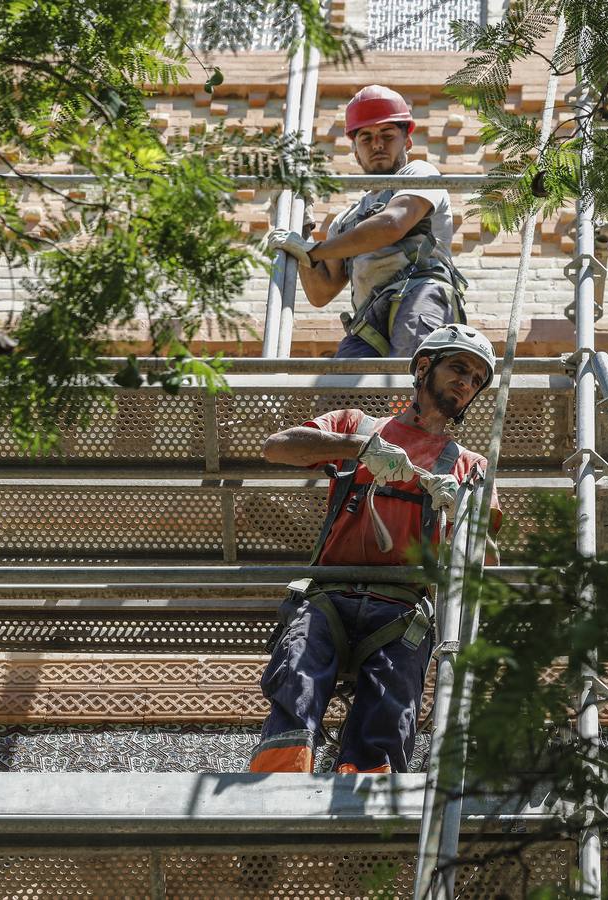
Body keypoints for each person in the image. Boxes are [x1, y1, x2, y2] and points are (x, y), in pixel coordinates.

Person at [250, 324, 501, 774]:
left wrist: (463, 513)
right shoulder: (357, 425)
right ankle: (275, 786)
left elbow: (488, 563)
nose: (467, 383)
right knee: (297, 679)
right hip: (329, 594)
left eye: (477, 379)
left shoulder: (469, 467)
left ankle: (366, 809)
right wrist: (361, 448)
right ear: (424, 367)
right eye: (458, 368)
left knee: (390, 710)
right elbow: (277, 448)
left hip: (402, 609)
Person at [266, 84, 467, 359]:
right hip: (368, 322)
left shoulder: (419, 173)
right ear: (356, 152)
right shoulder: (346, 221)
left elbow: (392, 223)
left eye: (387, 135)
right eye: (366, 138)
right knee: (341, 395)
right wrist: (301, 231)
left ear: (407, 142)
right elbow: (320, 292)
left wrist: (315, 251)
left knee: (409, 382)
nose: (377, 145)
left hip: (419, 294)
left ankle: (409, 402)